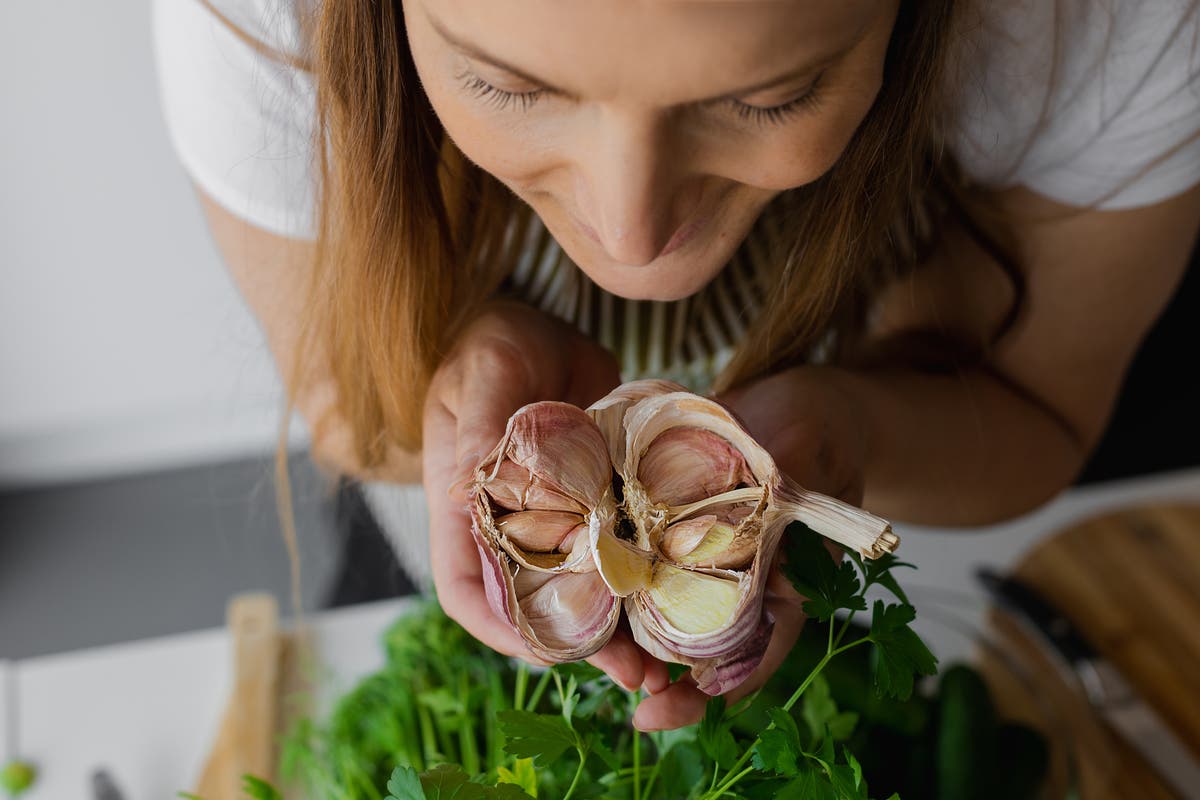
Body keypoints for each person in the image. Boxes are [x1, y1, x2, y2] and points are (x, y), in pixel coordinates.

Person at [153, 0, 1200, 731]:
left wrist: (854, 433)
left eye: (772, 96)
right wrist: (464, 382)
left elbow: (1038, 408)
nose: (633, 238)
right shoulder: (267, 14)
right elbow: (344, 407)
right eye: (501, 83)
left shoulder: (1098, 21)